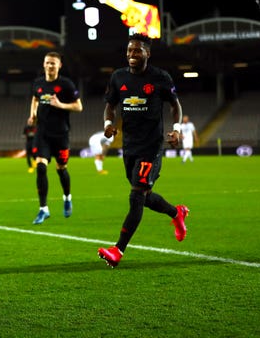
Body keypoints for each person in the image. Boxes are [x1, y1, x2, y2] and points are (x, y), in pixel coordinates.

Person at [97, 33, 190, 268]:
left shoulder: (160, 78)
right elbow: (110, 105)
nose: (132, 55)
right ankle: (176, 213)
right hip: (129, 147)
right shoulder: (118, 77)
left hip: (151, 147)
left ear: (147, 53)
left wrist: (176, 129)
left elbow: (174, 104)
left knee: (136, 196)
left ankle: (118, 250)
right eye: (129, 51)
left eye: (137, 51)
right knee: (144, 197)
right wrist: (108, 125)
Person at [28, 51, 83, 224]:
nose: (50, 66)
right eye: (47, 63)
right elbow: (35, 99)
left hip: (60, 134)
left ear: (59, 66)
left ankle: (67, 197)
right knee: (41, 167)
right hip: (42, 133)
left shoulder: (66, 84)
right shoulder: (38, 83)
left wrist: (60, 105)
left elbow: (79, 106)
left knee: (61, 168)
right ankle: (43, 209)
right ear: (43, 64)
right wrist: (33, 115)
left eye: (53, 63)